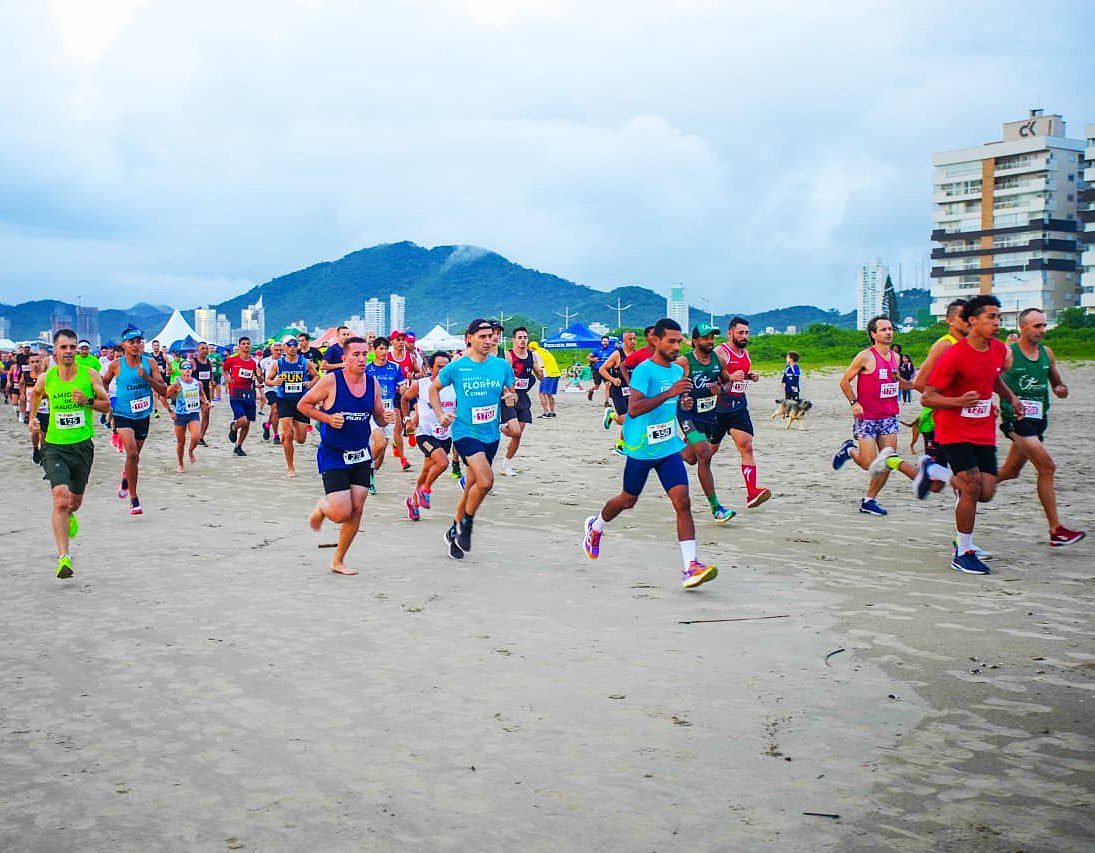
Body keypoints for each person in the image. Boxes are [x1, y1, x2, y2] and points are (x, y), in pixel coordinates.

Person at [584, 318, 718, 589]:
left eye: (679, 341)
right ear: (656, 341)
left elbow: (675, 403)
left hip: (667, 447)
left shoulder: (677, 371)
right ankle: (595, 526)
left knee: (683, 502)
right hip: (641, 449)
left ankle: (691, 566)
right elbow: (634, 409)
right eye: (671, 341)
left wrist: (683, 402)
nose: (676, 346)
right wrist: (670, 393)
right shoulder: (645, 371)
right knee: (628, 500)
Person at [921, 295, 1025, 574]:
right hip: (953, 428)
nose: (997, 322)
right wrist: (958, 402)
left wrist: (1011, 398)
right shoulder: (954, 355)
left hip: (983, 429)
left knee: (986, 492)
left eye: (998, 317)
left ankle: (935, 471)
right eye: (991, 317)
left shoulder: (998, 350)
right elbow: (927, 397)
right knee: (970, 486)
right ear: (972, 321)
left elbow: (993, 377)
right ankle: (963, 551)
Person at [299, 337, 395, 575]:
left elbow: (378, 416)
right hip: (334, 453)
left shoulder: (372, 383)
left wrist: (386, 419)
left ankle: (338, 560)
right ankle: (323, 507)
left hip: (361, 454)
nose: (362, 359)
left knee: (357, 508)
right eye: (356, 354)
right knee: (341, 513)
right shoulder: (332, 381)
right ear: (344, 358)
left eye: (364, 354)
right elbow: (304, 405)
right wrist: (328, 418)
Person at [996, 308, 1085, 547]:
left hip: (1038, 420)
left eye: (1044, 325)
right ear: (1022, 327)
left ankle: (971, 487)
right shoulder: (1009, 353)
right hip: (1016, 419)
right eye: (1037, 326)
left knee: (1010, 471)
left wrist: (1060, 389)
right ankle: (1056, 530)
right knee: (1047, 467)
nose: (1042, 330)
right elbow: (990, 379)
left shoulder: (1047, 353)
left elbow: (1057, 384)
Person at [431, 319, 517, 559]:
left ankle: (454, 532)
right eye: (483, 337)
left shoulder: (501, 366)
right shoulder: (457, 367)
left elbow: (511, 395)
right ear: (469, 338)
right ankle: (466, 525)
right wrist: (440, 414)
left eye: (491, 336)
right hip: (465, 432)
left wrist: (511, 401)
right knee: (486, 481)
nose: (489, 340)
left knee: (472, 486)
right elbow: (433, 389)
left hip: (491, 434)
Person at [29, 329, 111, 578]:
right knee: (60, 499)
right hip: (54, 446)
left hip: (82, 447)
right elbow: (36, 394)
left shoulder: (89, 374)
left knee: (74, 502)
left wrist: (87, 401)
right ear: (55, 351)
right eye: (63, 347)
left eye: (72, 347)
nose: (68, 351)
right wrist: (32, 419)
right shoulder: (47, 378)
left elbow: (106, 404)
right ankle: (64, 557)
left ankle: (71, 515)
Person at [831, 315, 913, 516]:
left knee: (887, 461)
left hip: (889, 417)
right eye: (883, 329)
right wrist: (854, 403)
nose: (888, 332)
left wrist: (916, 385)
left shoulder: (896, 358)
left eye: (890, 328)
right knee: (869, 464)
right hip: (867, 417)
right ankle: (850, 450)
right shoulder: (865, 356)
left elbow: (897, 382)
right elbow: (844, 381)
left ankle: (869, 500)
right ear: (873, 334)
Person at [100, 327, 167, 515]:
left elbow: (163, 390)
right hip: (123, 414)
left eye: (139, 341)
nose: (136, 345)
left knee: (135, 456)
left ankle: (125, 477)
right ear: (124, 345)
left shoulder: (150, 363)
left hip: (143, 415)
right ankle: (134, 499)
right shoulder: (116, 365)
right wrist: (106, 397)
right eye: (132, 342)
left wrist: (147, 377)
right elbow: (104, 381)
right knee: (132, 454)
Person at [677, 323, 736, 524]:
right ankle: (717, 508)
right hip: (688, 416)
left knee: (690, 458)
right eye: (705, 338)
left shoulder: (719, 360)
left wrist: (721, 388)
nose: (710, 341)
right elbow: (668, 385)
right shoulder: (684, 362)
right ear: (695, 341)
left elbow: (727, 381)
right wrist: (682, 397)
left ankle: (670, 451)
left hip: (709, 416)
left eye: (712, 337)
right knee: (704, 455)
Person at [712, 316, 771, 509]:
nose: (745, 336)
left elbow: (741, 375)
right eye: (740, 333)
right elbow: (709, 377)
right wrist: (729, 377)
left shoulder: (746, 354)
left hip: (738, 406)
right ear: (730, 333)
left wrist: (750, 376)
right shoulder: (721, 352)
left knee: (746, 446)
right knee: (707, 452)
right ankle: (676, 453)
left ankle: (752, 493)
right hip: (718, 408)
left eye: (747, 333)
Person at [400, 351, 457, 520]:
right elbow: (405, 399)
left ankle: (413, 502)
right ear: (430, 368)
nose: (443, 371)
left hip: (445, 435)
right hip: (425, 434)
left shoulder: (455, 386)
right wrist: (407, 419)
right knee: (443, 463)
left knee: (426, 470)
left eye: (446, 367)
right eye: (439, 367)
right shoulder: (421, 384)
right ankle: (425, 490)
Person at [267, 336, 318, 478]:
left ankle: (288, 433)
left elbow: (316, 376)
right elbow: (268, 380)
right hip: (284, 400)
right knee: (288, 435)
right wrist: (275, 382)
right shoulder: (278, 364)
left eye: (295, 345)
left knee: (301, 439)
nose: (293, 347)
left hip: (301, 402)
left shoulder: (304, 362)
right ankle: (290, 467)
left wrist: (311, 383)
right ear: (284, 347)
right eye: (289, 345)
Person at [498, 326, 544, 476]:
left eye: (525, 337)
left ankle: (506, 464)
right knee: (515, 431)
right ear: (514, 340)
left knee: (518, 434)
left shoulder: (532, 356)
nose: (523, 340)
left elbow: (540, 376)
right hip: (509, 396)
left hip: (523, 396)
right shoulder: (509, 355)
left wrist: (540, 371)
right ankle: (499, 428)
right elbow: (503, 377)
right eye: (520, 338)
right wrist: (507, 392)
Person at [365, 336, 408, 490]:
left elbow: (402, 388)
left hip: (389, 412)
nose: (384, 352)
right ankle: (362, 467)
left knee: (382, 450)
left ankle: (370, 474)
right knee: (380, 443)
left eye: (386, 349)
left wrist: (404, 389)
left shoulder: (395, 367)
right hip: (372, 412)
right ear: (374, 350)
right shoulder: (367, 369)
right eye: (381, 349)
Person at [599, 330, 638, 454]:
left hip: (632, 391)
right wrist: (612, 379)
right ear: (624, 341)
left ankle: (620, 445)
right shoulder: (617, 354)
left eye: (635, 339)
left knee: (632, 419)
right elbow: (602, 369)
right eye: (630, 339)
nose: (633, 341)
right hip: (618, 390)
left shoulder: (637, 355)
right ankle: (611, 416)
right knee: (626, 419)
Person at [165, 360, 208, 473]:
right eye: (184, 367)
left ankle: (190, 451)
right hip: (180, 415)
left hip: (193, 413)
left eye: (189, 367)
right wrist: (170, 411)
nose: (187, 369)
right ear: (181, 370)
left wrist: (206, 402)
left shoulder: (197, 383)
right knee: (181, 442)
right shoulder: (177, 384)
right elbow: (164, 395)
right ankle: (180, 463)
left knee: (196, 436)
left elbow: (202, 394)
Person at [223, 336, 259, 456]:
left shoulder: (254, 362)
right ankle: (234, 427)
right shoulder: (232, 360)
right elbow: (224, 369)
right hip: (236, 393)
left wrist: (259, 376)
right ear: (239, 346)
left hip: (249, 394)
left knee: (247, 423)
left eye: (248, 343)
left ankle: (238, 446)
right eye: (243, 344)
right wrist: (227, 377)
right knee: (242, 420)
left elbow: (259, 378)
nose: (246, 345)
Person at [192, 342, 216, 446]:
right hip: (194, 393)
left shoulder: (209, 362)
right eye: (203, 348)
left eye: (206, 348)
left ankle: (201, 437)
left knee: (206, 415)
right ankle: (195, 435)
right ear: (198, 349)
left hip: (205, 392)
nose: (205, 350)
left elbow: (211, 375)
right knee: (193, 416)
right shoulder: (193, 362)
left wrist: (212, 382)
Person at [259, 341, 283, 443]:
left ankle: (267, 425)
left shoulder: (285, 360)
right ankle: (276, 435)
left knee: (275, 411)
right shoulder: (265, 361)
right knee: (275, 409)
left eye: (280, 350)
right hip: (270, 388)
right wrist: (260, 380)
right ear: (271, 350)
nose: (278, 352)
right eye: (276, 350)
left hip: (282, 389)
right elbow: (260, 372)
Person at [530, 340, 560, 417]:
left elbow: (536, 366)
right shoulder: (545, 351)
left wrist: (538, 376)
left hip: (547, 374)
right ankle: (552, 412)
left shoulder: (534, 353)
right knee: (549, 394)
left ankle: (546, 412)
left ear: (531, 348)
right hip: (556, 373)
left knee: (542, 393)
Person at [587, 335, 617, 405]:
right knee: (597, 386)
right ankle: (591, 390)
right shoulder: (597, 350)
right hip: (597, 370)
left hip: (606, 369)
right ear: (601, 342)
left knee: (607, 385)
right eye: (604, 341)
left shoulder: (612, 350)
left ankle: (606, 402)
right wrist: (593, 359)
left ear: (608, 342)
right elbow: (588, 357)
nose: (605, 343)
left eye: (606, 341)